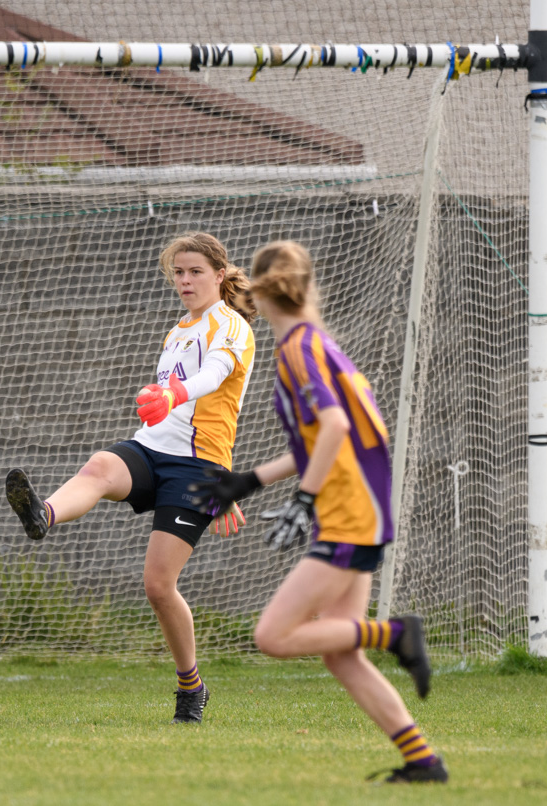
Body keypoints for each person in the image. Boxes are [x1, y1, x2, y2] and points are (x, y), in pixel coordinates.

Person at [190, 240, 447, 783]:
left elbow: (333, 427)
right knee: (339, 647)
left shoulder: (299, 351)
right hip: (362, 510)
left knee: (274, 638)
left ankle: (395, 634)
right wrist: (249, 480)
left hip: (349, 514)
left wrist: (303, 500)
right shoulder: (318, 344)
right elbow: (321, 440)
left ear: (256, 293)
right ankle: (422, 760)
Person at [6, 231, 256, 724]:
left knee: (158, 587)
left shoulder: (230, 325)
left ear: (219, 275)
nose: (185, 280)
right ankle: (43, 514)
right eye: (178, 272)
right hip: (151, 447)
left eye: (195, 272)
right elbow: (173, 400)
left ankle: (192, 687)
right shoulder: (178, 328)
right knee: (100, 465)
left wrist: (176, 397)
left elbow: (213, 377)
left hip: (198, 466)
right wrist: (167, 403)